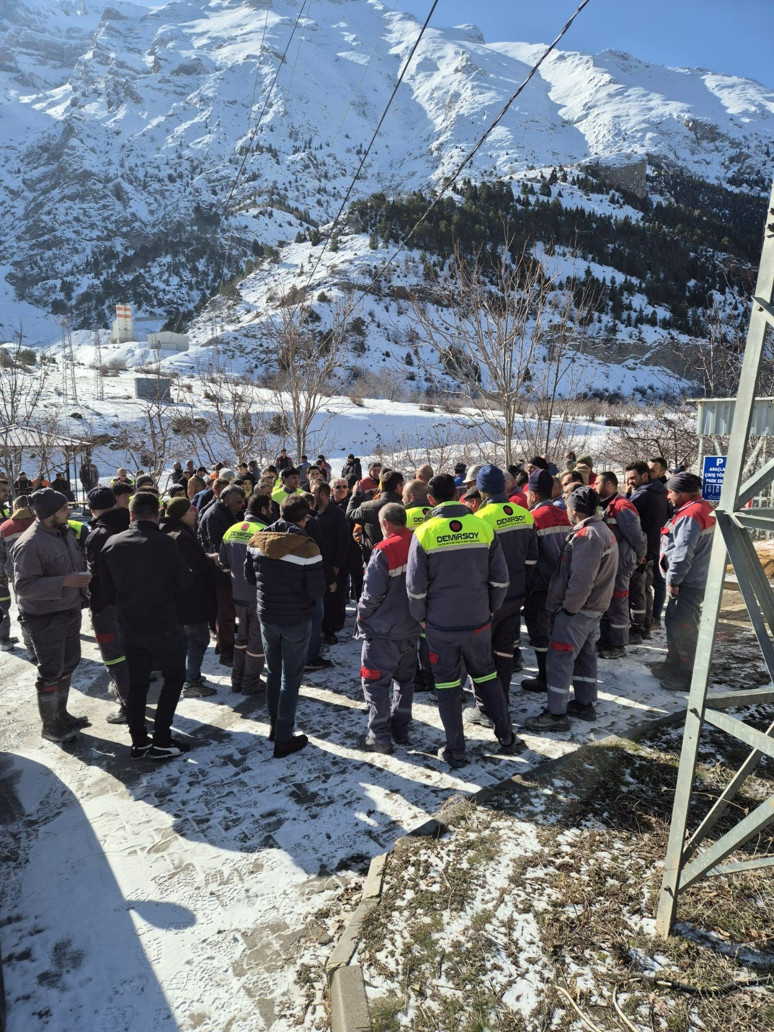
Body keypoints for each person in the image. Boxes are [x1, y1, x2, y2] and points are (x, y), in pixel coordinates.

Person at [406, 473, 520, 768]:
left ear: (431, 499)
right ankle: (507, 737)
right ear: (458, 495)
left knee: (446, 686)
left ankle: (456, 750)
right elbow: (501, 579)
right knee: (487, 677)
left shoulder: (425, 532)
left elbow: (415, 587)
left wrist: (420, 619)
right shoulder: (482, 526)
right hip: (479, 621)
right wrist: (491, 609)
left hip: (440, 625)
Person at [102, 492, 193, 760]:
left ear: (131, 514)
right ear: (158, 513)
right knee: (174, 677)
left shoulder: (112, 543)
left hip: (129, 625)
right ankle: (162, 739)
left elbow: (104, 590)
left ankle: (139, 740)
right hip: (163, 623)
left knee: (137, 684)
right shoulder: (164, 543)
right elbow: (185, 582)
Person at [524, 486, 618, 731]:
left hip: (579, 610)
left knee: (559, 659)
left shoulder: (588, 536)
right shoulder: (601, 529)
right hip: (592, 608)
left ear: (574, 511)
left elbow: (581, 580)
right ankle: (584, 703)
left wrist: (568, 610)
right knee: (585, 656)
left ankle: (555, 714)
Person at [244, 494, 326, 758]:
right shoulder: (308, 547)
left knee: (273, 672)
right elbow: (316, 591)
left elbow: (249, 577)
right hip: (296, 620)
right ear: (304, 519)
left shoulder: (256, 540)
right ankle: (283, 736)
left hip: (268, 616)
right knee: (290, 679)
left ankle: (274, 726)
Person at [12, 488, 92, 742]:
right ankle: (50, 726)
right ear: (49, 514)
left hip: (69, 610)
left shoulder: (63, 531)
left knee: (68, 664)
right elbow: (24, 587)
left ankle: (61, 715)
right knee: (50, 670)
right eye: (64, 509)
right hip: (45, 617)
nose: (69, 512)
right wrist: (65, 581)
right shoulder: (30, 543)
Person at [467, 465, 537, 726]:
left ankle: (487, 709)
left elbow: (476, 566)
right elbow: (532, 559)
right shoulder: (524, 514)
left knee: (482, 655)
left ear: (481, 490)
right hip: (515, 595)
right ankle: (503, 699)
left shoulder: (480, 519)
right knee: (505, 651)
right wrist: (524, 589)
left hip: (489, 600)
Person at [356, 504, 421, 754]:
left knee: (375, 684)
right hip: (411, 628)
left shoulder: (384, 549)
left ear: (385, 524)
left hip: (383, 632)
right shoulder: (419, 543)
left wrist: (362, 614)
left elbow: (371, 594)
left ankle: (380, 737)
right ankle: (400, 729)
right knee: (405, 681)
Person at [653, 472, 716, 691]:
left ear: (683, 493)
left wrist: (673, 581)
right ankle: (673, 665)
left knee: (683, 627)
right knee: (674, 622)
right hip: (692, 579)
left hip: (688, 582)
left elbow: (682, 553)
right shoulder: (702, 507)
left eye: (670, 492)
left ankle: (688, 675)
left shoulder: (691, 515)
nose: (668, 496)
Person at [84, 486, 132, 723]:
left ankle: (129, 705)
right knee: (133, 653)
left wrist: (95, 605)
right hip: (134, 603)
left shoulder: (98, 535)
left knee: (114, 658)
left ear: (92, 510)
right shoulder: (131, 525)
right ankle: (133, 697)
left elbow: (97, 576)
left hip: (108, 607)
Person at [162, 497, 218, 698]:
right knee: (198, 639)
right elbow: (195, 567)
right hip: (190, 598)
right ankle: (191, 682)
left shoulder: (169, 531)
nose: (194, 513)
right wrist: (210, 562)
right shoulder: (180, 536)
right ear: (181, 514)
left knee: (186, 640)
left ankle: (188, 675)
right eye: (190, 511)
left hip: (179, 598)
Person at [521, 469, 571, 693]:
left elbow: (530, 557)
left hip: (541, 585)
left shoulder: (533, 518)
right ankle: (558, 673)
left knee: (540, 633)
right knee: (555, 631)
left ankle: (545, 677)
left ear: (533, 495)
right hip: (563, 582)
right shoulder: (565, 514)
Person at [219, 492, 272, 695]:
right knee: (256, 642)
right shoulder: (265, 532)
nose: (272, 512)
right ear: (263, 510)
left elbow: (223, 563)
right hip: (258, 595)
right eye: (270, 508)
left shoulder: (231, 530)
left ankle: (237, 678)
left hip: (238, 595)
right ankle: (250, 681)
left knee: (241, 638)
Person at [595, 471, 647, 659]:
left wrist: (641, 555)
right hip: (609, 563)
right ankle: (606, 640)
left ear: (609, 484)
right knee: (606, 603)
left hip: (621, 563)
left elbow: (636, 536)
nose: (594, 486)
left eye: (597, 483)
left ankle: (618, 645)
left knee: (618, 603)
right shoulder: (605, 505)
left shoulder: (622, 506)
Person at [198, 484, 246, 667]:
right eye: (238, 502)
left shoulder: (226, 513)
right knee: (226, 614)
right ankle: (227, 653)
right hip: (221, 572)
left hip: (227, 570)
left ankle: (223, 645)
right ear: (227, 499)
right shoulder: (214, 515)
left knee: (227, 614)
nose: (241, 506)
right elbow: (217, 547)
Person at [625, 461, 670, 638]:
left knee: (638, 592)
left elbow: (626, 514)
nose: (630, 482)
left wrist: (626, 496)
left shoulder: (642, 495)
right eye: (628, 478)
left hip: (642, 551)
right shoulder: (660, 492)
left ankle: (638, 630)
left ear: (644, 476)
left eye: (633, 478)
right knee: (645, 590)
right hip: (653, 548)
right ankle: (646, 625)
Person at [311, 481, 350, 645]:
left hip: (333, 564)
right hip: (316, 564)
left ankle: (330, 629)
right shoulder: (312, 513)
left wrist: (336, 566)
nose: (311, 495)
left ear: (322, 494)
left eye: (313, 493)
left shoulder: (337, 514)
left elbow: (343, 542)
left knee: (332, 599)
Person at [0, 494, 36, 655]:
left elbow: (1, 556)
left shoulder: (5, 527)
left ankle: (31, 648)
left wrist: (2, 575)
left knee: (25, 610)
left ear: (15, 507)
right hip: (43, 573)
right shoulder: (41, 523)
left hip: (17, 575)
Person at [346, 468, 404, 564]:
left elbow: (349, 514)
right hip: (400, 559)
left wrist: (355, 494)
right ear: (398, 487)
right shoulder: (405, 507)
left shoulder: (367, 507)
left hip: (373, 558)